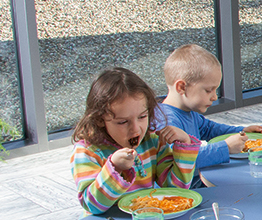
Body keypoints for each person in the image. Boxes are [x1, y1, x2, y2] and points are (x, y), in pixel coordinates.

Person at [71, 67, 200, 214]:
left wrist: (184, 145)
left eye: (142, 117)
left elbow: (176, 191)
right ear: (100, 119)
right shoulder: (87, 152)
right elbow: (92, 206)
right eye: (122, 122)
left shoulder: (152, 143)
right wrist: (115, 168)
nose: (136, 129)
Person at [159, 44, 262, 188]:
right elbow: (182, 160)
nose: (215, 97)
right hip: (184, 194)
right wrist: (226, 147)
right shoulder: (167, 122)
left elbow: (209, 129)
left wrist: (242, 131)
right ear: (181, 87)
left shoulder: (187, 112)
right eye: (209, 90)